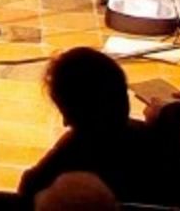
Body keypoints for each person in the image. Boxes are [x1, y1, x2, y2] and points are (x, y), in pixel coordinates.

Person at [20, 47, 160, 202]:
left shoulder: (69, 154)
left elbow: (29, 187)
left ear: (70, 115)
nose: (65, 122)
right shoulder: (156, 141)